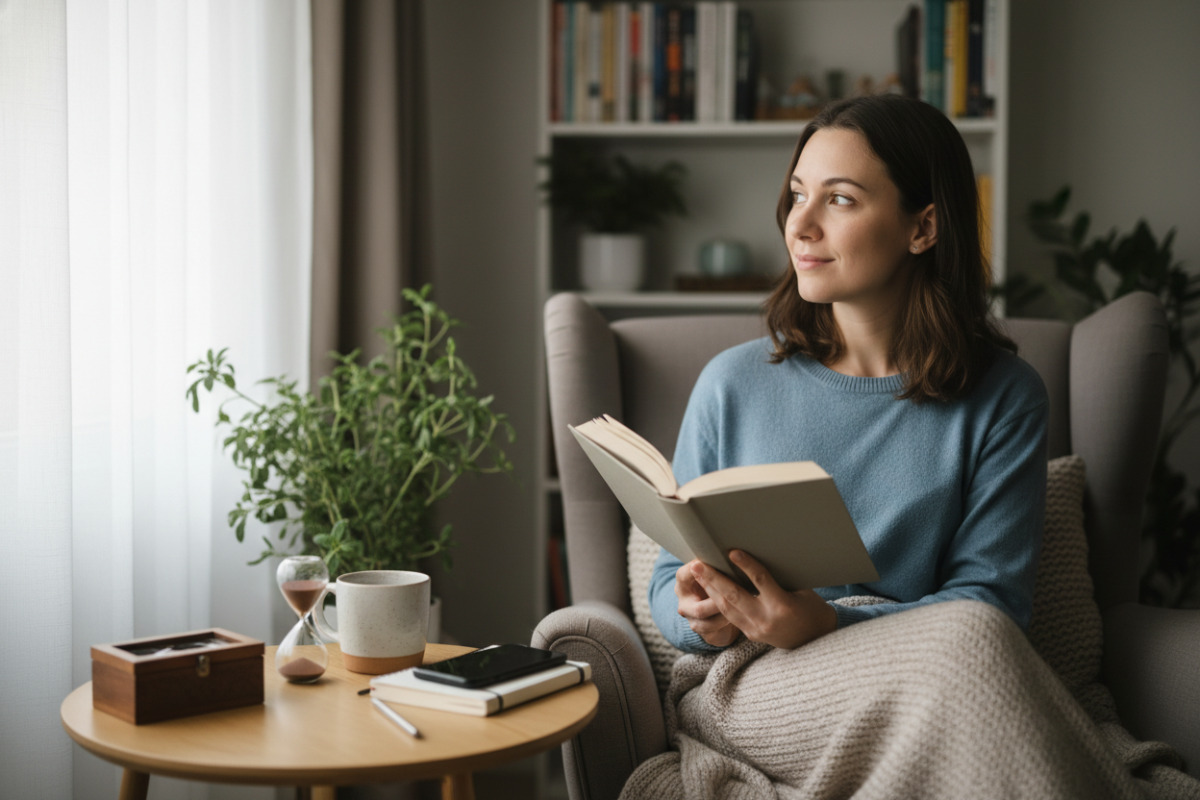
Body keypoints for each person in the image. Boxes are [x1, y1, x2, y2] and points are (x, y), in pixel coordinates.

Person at [624, 95, 1197, 799]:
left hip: (941, 674)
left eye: (838, 199)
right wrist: (698, 614)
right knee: (967, 649)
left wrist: (828, 620)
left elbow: (991, 605)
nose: (799, 224)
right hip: (757, 678)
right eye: (798, 195)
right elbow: (662, 587)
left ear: (923, 227)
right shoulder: (731, 384)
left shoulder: (1004, 395)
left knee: (971, 641)